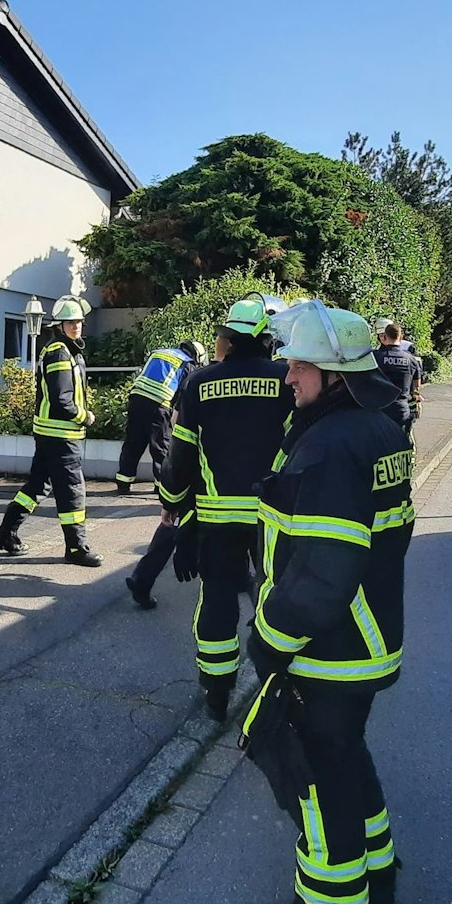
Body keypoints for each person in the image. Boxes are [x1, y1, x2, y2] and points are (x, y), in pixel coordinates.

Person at [242, 299, 413, 904]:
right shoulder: (380, 429)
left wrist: (269, 641)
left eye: (298, 367)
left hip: (329, 650)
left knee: (317, 781)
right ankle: (379, 886)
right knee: (347, 761)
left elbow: (322, 575)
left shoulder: (331, 447)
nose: (289, 377)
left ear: (333, 374)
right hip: (369, 639)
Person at [156, 293, 293, 720]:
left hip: (216, 519)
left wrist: (172, 506)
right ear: (266, 338)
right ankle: (277, 681)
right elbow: (300, 445)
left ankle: (217, 692)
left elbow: (181, 455)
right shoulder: (286, 379)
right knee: (273, 597)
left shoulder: (199, 382)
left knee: (216, 602)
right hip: (271, 518)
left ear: (228, 338)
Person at [0, 295, 104, 567]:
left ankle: (6, 534)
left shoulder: (64, 349)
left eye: (79, 321)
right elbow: (61, 399)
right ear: (60, 325)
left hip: (51, 434)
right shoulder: (60, 353)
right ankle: (76, 548)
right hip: (62, 436)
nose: (77, 326)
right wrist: (85, 416)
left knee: (37, 486)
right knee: (72, 490)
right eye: (71, 322)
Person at [123, 338, 225, 610]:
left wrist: (169, 498)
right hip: (225, 477)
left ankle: (142, 579)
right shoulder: (255, 378)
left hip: (195, 469)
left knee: (172, 523)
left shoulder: (198, 379)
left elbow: (179, 428)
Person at [114, 339, 204, 494]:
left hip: (136, 398)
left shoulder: (160, 353)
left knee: (133, 442)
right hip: (158, 404)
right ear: (196, 356)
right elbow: (183, 393)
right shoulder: (186, 363)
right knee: (160, 445)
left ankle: (123, 482)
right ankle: (161, 485)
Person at [371, 321, 423, 440]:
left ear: (384, 337)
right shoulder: (410, 359)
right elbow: (416, 386)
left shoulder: (375, 357)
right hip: (401, 409)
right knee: (402, 443)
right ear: (401, 337)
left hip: (379, 410)